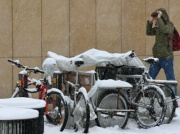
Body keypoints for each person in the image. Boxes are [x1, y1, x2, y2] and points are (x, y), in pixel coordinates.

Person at [146, 8, 177, 95]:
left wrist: (159, 17)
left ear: (162, 16)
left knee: (171, 80)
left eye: (157, 17)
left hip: (167, 58)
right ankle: (148, 95)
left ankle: (174, 99)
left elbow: (164, 30)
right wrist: (150, 22)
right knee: (149, 78)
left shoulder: (170, 25)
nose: (156, 19)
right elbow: (149, 32)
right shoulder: (158, 26)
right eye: (155, 17)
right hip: (157, 58)